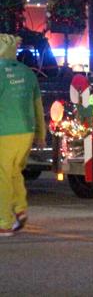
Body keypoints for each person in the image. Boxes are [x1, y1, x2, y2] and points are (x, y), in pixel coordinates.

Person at [0, 34, 47, 237]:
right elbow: (38, 106)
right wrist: (41, 134)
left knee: (2, 176)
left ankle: (4, 221)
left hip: (4, 131)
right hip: (26, 131)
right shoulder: (28, 73)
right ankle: (20, 208)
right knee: (14, 172)